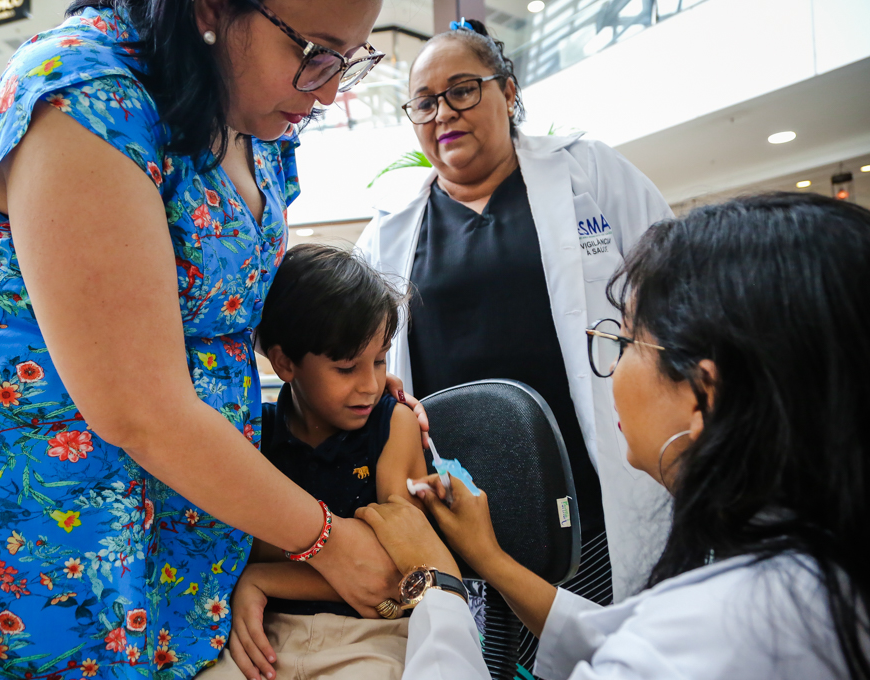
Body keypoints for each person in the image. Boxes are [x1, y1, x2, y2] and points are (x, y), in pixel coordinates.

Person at [0, 1, 435, 676]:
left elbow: (232, 289)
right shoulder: (89, 95)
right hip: (36, 496)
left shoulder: (251, 111)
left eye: (349, 59)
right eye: (315, 52)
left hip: (172, 503)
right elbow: (139, 409)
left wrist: (348, 368)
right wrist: (327, 541)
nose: (331, 89)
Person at [358, 193, 870, 679]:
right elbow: (610, 638)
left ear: (703, 395)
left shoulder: (701, 640)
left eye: (625, 340)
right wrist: (489, 559)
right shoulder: (812, 567)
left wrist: (438, 585)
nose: (611, 369)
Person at [355, 18, 673, 603]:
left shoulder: (588, 172)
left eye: (462, 90)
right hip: (460, 502)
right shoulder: (389, 230)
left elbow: (678, 288)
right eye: (424, 103)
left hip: (592, 491)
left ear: (508, 91)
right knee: (492, 658)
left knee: (597, 641)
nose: (443, 113)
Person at [205, 244, 425, 680]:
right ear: (285, 362)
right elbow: (239, 546)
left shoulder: (393, 426)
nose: (370, 384)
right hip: (263, 635)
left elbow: (398, 568)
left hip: (372, 634)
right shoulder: (252, 435)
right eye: (347, 368)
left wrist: (262, 579)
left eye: (380, 361)